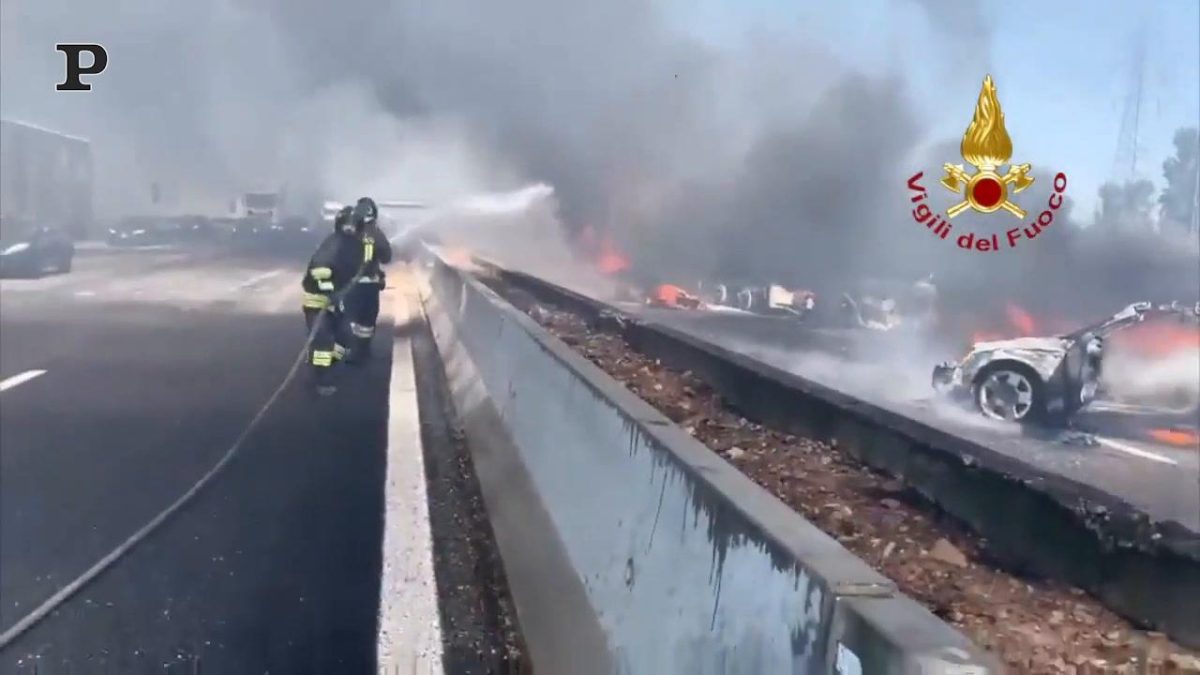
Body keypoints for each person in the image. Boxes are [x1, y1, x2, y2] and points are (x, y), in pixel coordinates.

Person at [301, 205, 365, 395]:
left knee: (344, 342)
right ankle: (321, 382)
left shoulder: (352, 245)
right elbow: (320, 269)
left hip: (334, 302)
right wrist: (329, 292)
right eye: (347, 224)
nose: (350, 228)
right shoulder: (334, 243)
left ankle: (321, 365)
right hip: (318, 302)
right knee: (323, 344)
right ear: (339, 224)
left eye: (353, 225)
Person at [344, 197, 392, 362]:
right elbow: (387, 257)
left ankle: (353, 351)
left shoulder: (349, 233)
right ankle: (363, 351)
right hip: (370, 285)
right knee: (367, 321)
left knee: (352, 318)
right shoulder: (376, 233)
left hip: (351, 285)